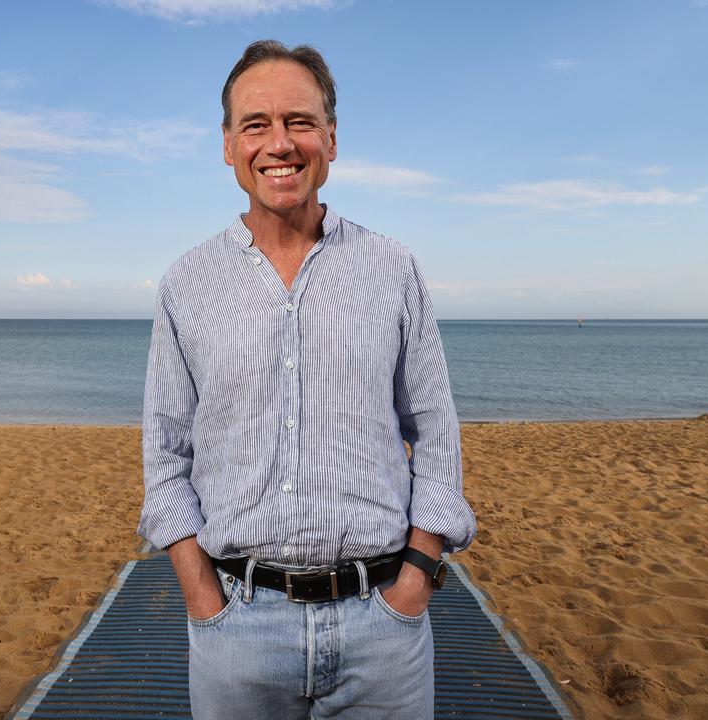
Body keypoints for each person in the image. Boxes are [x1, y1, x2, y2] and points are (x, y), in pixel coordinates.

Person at [138, 39, 476, 719]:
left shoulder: (392, 269)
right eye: (255, 124)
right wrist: (202, 597)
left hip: (383, 627)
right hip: (237, 628)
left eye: (298, 122)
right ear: (228, 145)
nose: (279, 143)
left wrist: (415, 581)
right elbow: (165, 454)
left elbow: (436, 431)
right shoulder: (186, 284)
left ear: (330, 138)